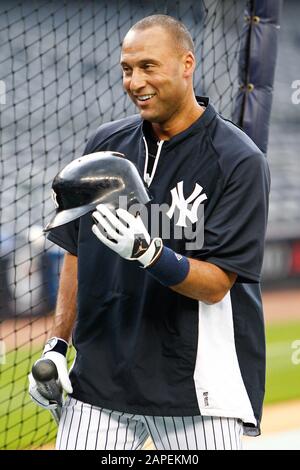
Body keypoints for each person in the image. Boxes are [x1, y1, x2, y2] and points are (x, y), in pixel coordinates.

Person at [29, 14, 270, 450]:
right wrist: (56, 346)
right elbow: (75, 251)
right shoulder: (105, 146)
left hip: (197, 395)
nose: (134, 81)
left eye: (148, 66)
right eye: (126, 69)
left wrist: (149, 252)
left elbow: (217, 285)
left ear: (186, 64)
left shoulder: (237, 160)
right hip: (98, 390)